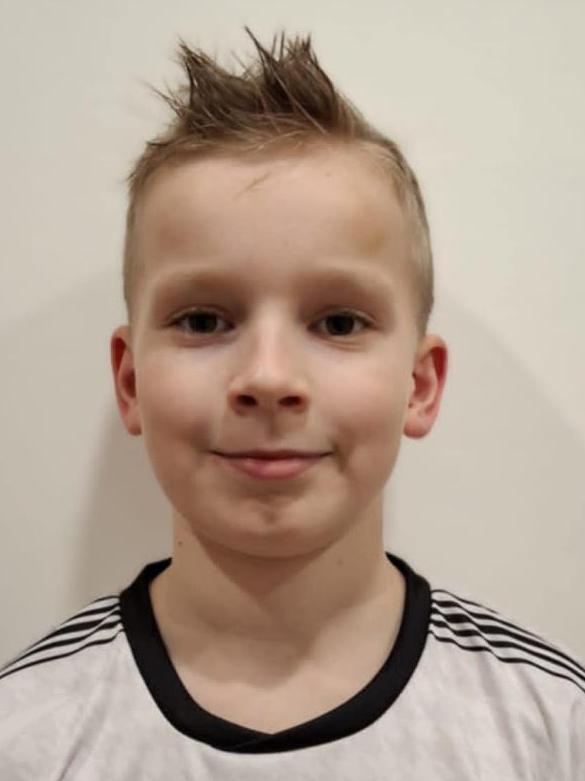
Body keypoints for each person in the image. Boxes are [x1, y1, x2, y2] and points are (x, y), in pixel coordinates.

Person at [1, 27, 583, 779]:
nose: (269, 377)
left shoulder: (551, 729)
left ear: (419, 384)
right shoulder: (27, 735)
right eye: (203, 321)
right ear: (130, 381)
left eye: (338, 323)